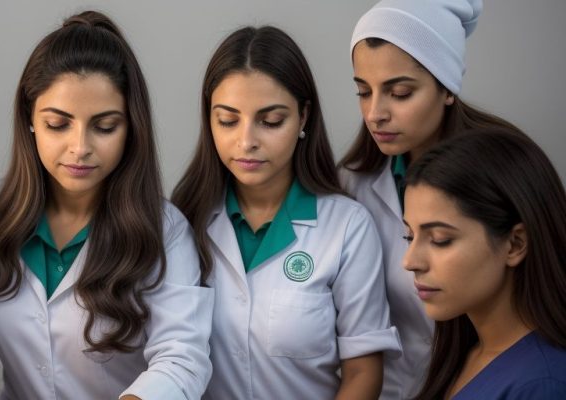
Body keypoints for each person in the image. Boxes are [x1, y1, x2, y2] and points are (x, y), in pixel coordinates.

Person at [0, 10, 213, 400]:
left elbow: (182, 359)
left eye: (104, 127)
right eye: (59, 124)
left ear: (131, 128)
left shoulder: (164, 229)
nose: (80, 147)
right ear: (30, 120)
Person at [171, 25, 401, 399]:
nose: (247, 141)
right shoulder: (183, 223)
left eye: (271, 121)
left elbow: (363, 372)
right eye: (227, 120)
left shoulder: (346, 227)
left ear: (303, 117)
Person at [340, 1, 522, 397]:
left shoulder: (504, 175)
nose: (375, 114)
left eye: (400, 93)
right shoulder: (351, 188)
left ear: (447, 88)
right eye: (363, 91)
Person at [402, 129, 566, 399]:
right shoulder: (466, 351)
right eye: (408, 235)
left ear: (515, 244)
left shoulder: (542, 385)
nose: (409, 261)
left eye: (440, 239)